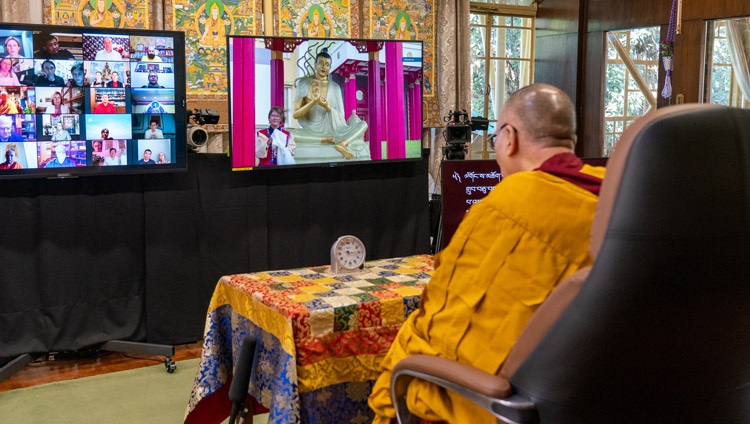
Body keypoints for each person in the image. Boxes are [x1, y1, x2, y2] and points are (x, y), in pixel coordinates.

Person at [367, 84, 607, 424]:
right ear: (572, 140)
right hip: (587, 394)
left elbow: (442, 323)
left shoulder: (506, 206)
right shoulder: (617, 198)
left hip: (506, 403)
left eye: (495, 138)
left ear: (509, 138)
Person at [291, 48, 368, 160]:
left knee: (363, 124)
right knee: (287, 133)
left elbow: (341, 117)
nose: (323, 67)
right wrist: (313, 102)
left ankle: (343, 143)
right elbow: (295, 114)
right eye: (321, 63)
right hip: (311, 130)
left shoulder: (335, 87)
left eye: (327, 64)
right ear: (315, 64)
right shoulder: (304, 83)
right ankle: (326, 139)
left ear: (330, 67)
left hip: (333, 129)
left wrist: (327, 107)